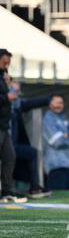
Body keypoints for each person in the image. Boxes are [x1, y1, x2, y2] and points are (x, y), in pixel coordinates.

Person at [9, 81, 52, 198]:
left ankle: (34, 187)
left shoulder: (15, 104)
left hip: (10, 144)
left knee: (32, 152)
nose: (16, 95)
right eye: (13, 91)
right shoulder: (5, 103)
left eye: (17, 92)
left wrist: (48, 100)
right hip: (5, 143)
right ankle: (7, 189)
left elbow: (28, 103)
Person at [0, 49, 28, 203]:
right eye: (4, 62)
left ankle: (6, 191)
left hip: (3, 125)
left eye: (8, 63)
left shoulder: (3, 77)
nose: (7, 65)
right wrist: (7, 96)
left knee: (9, 157)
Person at [43, 95, 69, 190]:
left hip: (66, 164)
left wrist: (65, 136)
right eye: (56, 102)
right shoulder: (48, 119)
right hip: (54, 166)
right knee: (56, 196)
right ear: (50, 104)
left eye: (61, 103)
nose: (58, 105)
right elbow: (58, 142)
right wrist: (68, 137)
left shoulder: (64, 119)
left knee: (64, 197)